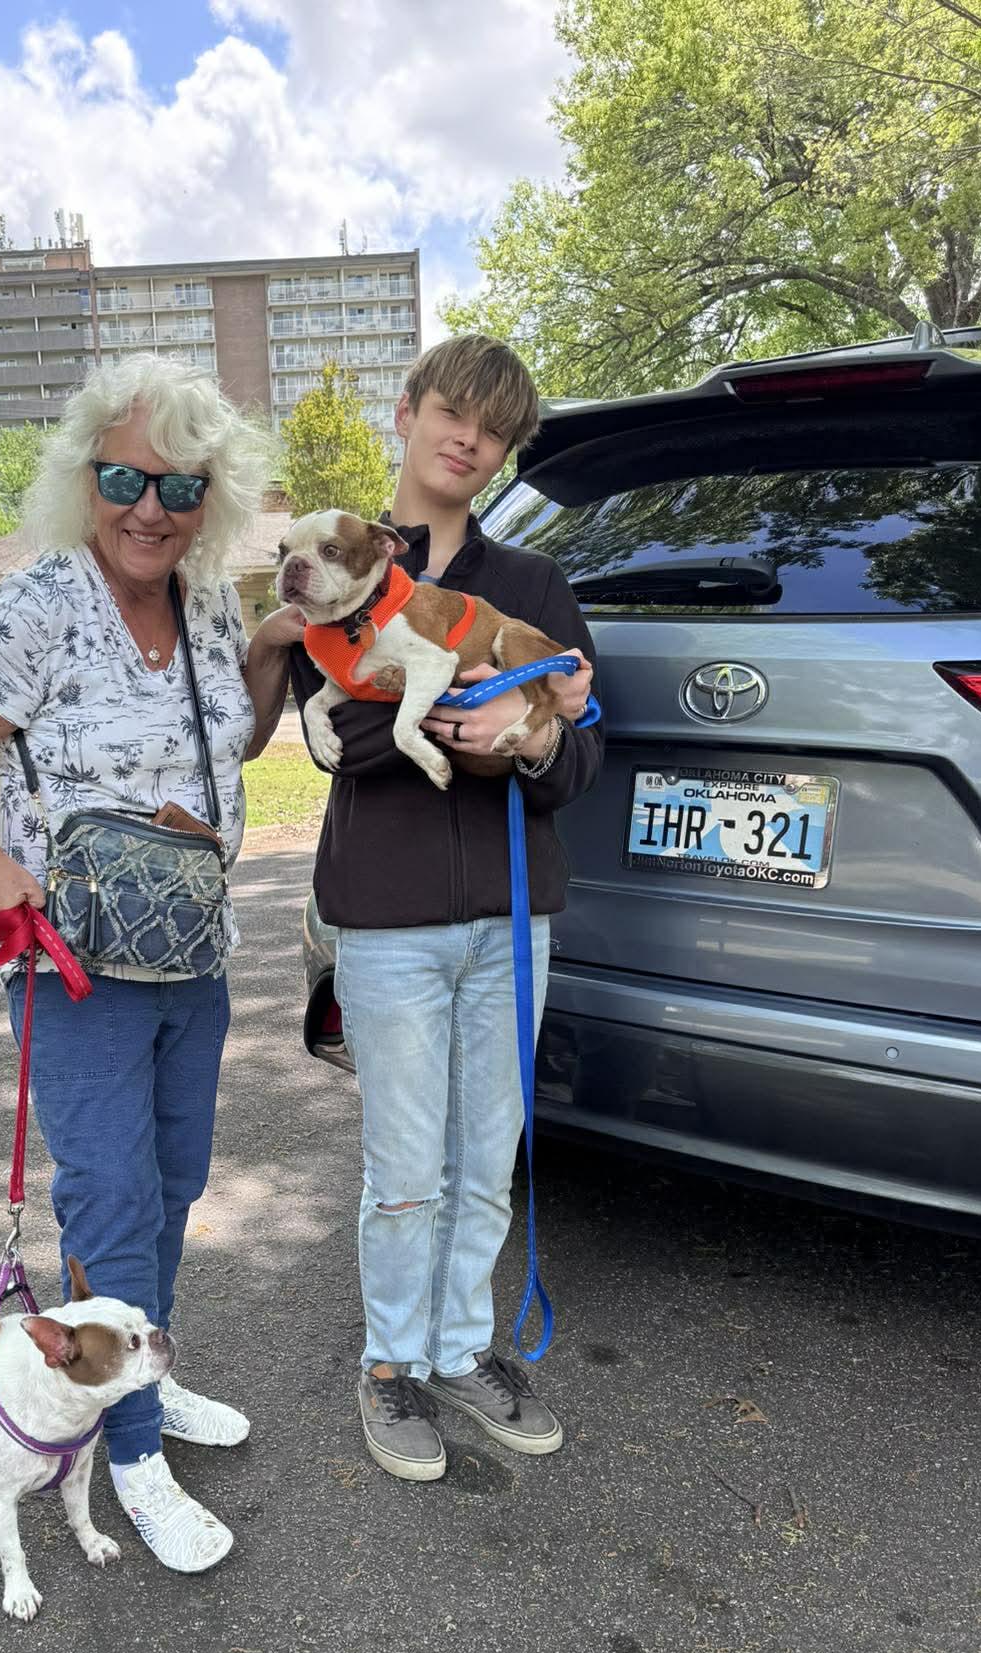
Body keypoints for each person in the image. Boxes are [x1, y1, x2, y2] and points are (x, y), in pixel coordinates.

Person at [0, 354, 287, 1570]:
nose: (149, 507)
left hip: (192, 952)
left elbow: (221, 743)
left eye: (179, 485)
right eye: (124, 477)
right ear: (84, 478)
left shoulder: (209, 603)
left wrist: (270, 653)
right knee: (110, 1202)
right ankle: (134, 1451)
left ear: (212, 497)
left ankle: (134, 1374)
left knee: (172, 1187)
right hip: (78, 967)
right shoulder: (44, 602)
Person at [242, 335, 600, 1482]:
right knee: (405, 1161)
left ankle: (460, 1348)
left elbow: (583, 756)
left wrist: (535, 738)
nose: (467, 441)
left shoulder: (533, 585)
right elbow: (336, 734)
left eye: (492, 432)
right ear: (407, 411)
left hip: (513, 915)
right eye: (451, 412)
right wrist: (473, 725)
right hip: (388, 915)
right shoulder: (326, 569)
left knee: (486, 1151)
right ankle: (390, 1363)